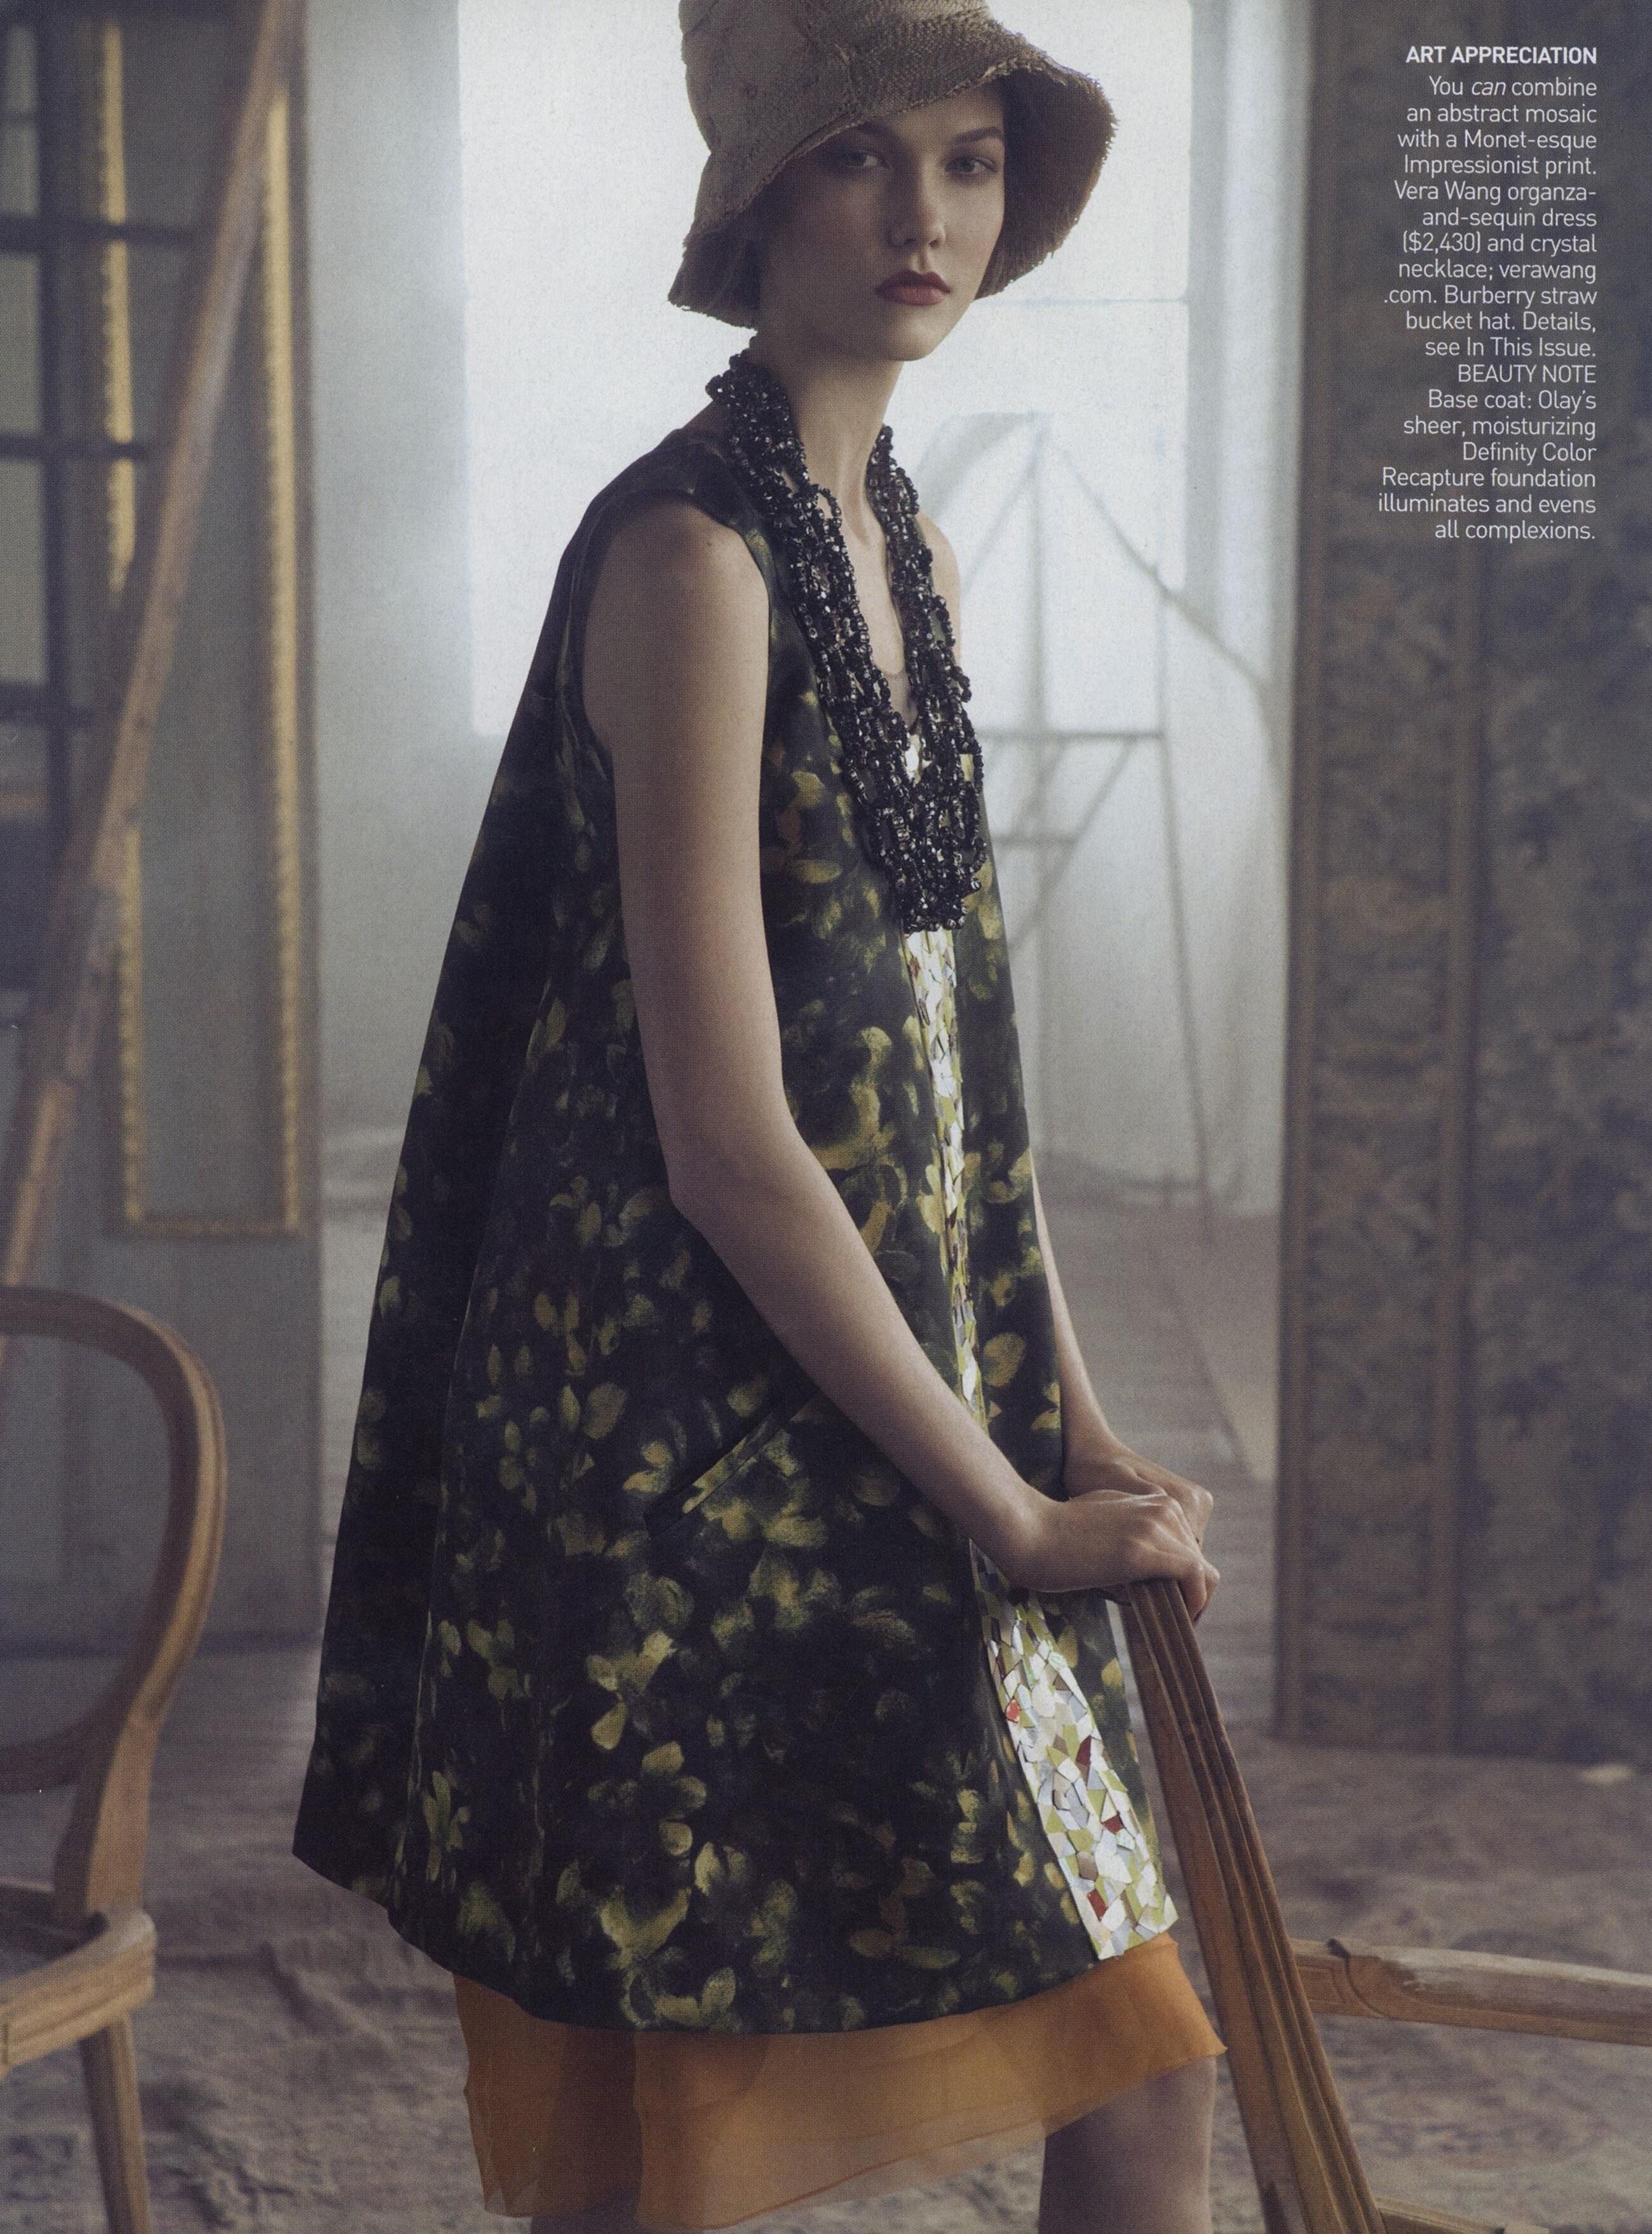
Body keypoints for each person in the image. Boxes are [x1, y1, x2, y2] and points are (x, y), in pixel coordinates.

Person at [294, 3, 1226, 2228]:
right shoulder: (689, 565)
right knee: (667, 2150)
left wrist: (1077, 1421)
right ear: (760, 199)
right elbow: (726, 1143)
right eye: (860, 158)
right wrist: (1011, 1519)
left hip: (894, 1392)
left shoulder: (910, 546)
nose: (928, 215)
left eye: (971, 160)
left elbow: (957, 1077)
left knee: (1142, 2053)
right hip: (685, 1444)